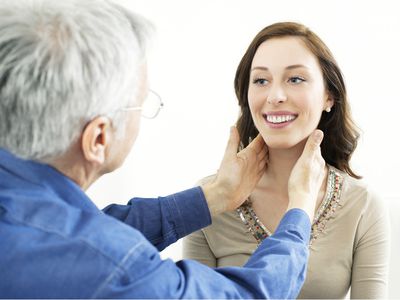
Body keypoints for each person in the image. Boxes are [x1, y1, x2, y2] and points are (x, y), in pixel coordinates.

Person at [0, 1, 328, 298]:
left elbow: (71, 232)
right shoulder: (114, 269)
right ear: (98, 138)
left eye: (296, 79)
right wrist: (299, 209)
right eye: (140, 104)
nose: (275, 96)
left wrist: (214, 196)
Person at [183, 22, 390, 299]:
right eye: (260, 81)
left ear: (329, 95)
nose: (275, 96)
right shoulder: (209, 201)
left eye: (295, 79)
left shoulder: (363, 205)